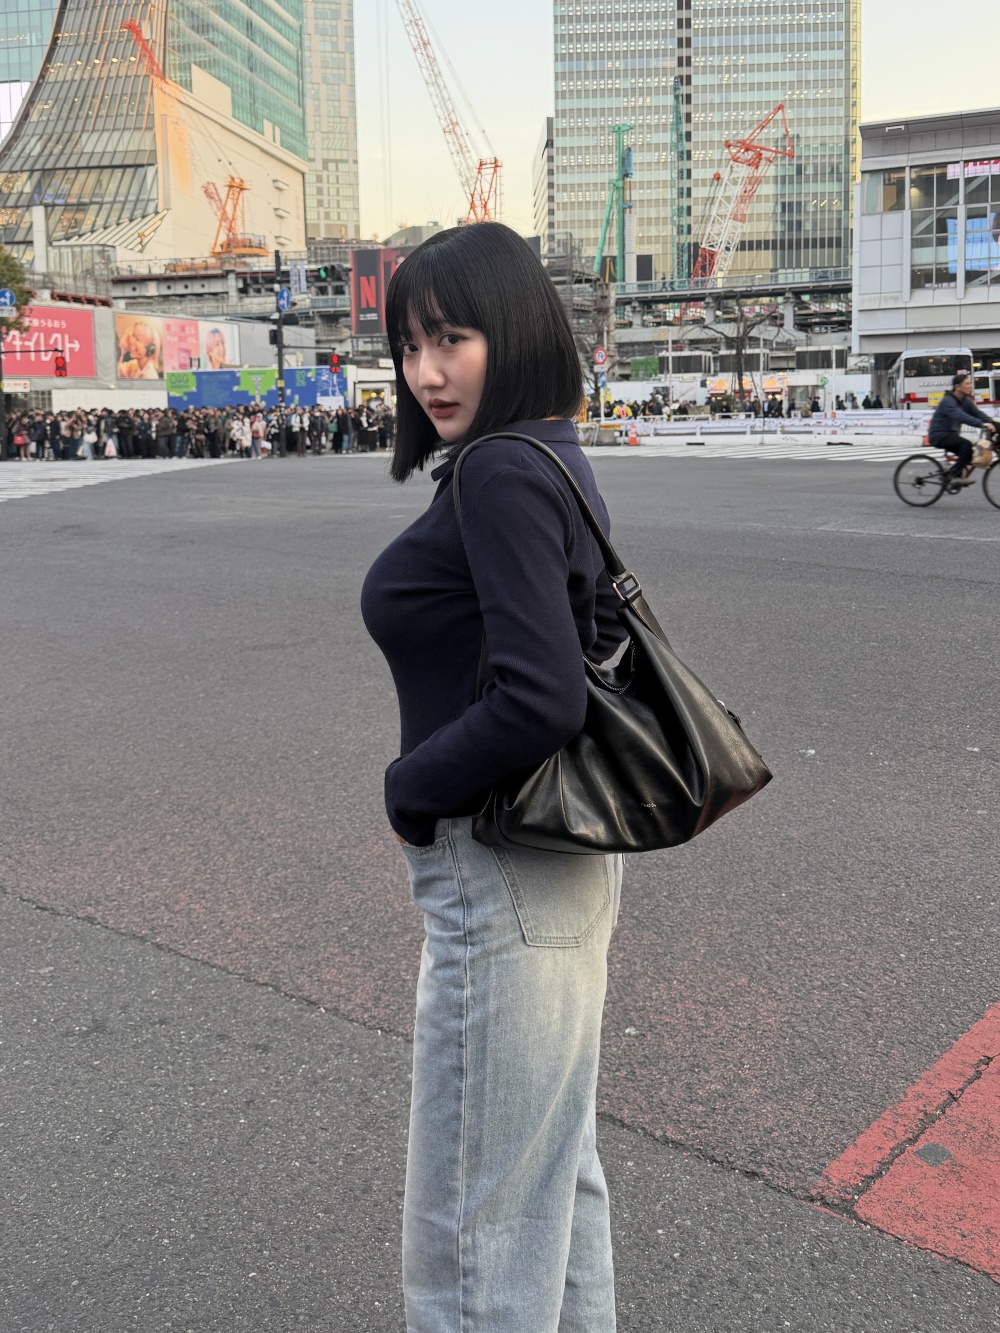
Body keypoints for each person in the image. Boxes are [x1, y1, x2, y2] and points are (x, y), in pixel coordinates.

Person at [360, 222, 625, 1330]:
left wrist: (411, 787)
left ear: (510, 333)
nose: (426, 372)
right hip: (562, 853)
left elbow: (541, 695)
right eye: (409, 346)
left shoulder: (502, 470)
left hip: (502, 854)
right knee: (548, 1177)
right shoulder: (547, 452)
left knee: (474, 1228)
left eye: (452, 339)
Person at [927, 371, 996, 484]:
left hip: (951, 435)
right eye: (967, 384)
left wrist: (992, 423)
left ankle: (953, 475)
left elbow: (977, 413)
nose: (970, 386)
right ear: (957, 387)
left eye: (970, 383)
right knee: (966, 445)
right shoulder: (948, 401)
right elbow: (961, 416)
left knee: (969, 454)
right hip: (939, 436)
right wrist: (981, 424)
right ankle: (954, 476)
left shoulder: (965, 400)